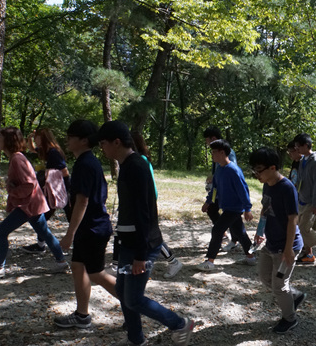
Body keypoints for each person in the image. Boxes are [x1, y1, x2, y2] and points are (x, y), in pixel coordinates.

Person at [97, 120, 194, 346]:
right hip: (129, 244)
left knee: (133, 298)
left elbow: (145, 213)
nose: (101, 149)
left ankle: (180, 323)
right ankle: (135, 338)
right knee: (123, 291)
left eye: (103, 143)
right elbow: (128, 213)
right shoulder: (127, 165)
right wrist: (119, 246)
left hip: (142, 246)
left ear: (117, 142)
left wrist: (140, 254)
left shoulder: (137, 167)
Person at [53, 120, 117, 329]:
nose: (67, 140)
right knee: (78, 267)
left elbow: (82, 201)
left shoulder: (85, 164)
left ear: (83, 140)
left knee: (96, 272)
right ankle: (82, 315)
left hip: (93, 228)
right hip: (89, 227)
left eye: (71, 137)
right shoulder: (87, 161)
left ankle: (134, 303)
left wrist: (69, 234)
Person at [0, 127, 69, 280]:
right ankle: (61, 262)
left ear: (8, 141)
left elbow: (29, 185)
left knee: (0, 232)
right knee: (44, 233)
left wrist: (12, 189)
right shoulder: (16, 158)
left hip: (29, 205)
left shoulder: (17, 159)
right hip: (33, 203)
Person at [249, 147, 305, 334]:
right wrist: (259, 231)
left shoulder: (287, 188)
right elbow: (265, 209)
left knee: (279, 285)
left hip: (286, 246)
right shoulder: (267, 184)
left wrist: (288, 250)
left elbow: (292, 219)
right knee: (265, 277)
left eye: (259, 170)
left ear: (272, 168)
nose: (257, 174)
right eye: (254, 170)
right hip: (271, 243)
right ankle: (295, 296)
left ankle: (290, 319)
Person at [131, 131, 183, 279]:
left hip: (147, 204)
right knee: (147, 236)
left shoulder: (140, 160)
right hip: (144, 203)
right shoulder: (138, 159)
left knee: (152, 237)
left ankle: (173, 261)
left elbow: (147, 187)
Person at [198, 139, 255, 271]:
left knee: (217, 230)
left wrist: (247, 208)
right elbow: (215, 189)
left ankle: (210, 261)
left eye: (213, 152)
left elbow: (243, 189)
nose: (211, 154)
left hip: (234, 208)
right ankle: (251, 257)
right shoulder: (219, 170)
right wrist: (208, 201)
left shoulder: (233, 170)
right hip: (227, 207)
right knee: (240, 232)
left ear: (222, 152)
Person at [22, 128, 71, 254]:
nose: (36, 140)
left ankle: (82, 242)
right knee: (42, 216)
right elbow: (32, 149)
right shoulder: (47, 151)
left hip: (62, 190)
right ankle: (40, 245)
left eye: (37, 138)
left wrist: (47, 173)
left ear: (43, 138)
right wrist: (29, 138)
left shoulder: (54, 152)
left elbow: (65, 172)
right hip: (53, 189)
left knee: (71, 217)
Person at [293, 133, 316, 264]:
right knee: (298, 227)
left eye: (299, 146)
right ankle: (307, 254)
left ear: (307, 146)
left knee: (304, 229)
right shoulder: (303, 159)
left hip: (311, 201)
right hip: (301, 199)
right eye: (296, 146)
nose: (296, 149)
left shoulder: (315, 161)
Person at [201, 126, 239, 252]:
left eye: (207, 140)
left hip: (227, 191)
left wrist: (216, 176)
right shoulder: (216, 151)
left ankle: (235, 241)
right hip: (218, 190)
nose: (207, 143)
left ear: (213, 138)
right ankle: (223, 234)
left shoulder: (227, 152)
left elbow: (230, 169)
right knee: (212, 209)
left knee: (232, 215)